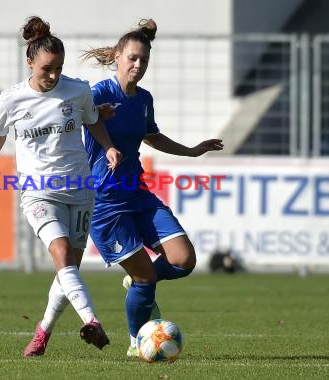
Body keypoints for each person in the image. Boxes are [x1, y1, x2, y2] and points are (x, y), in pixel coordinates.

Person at [0, 16, 122, 356]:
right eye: (46, 69)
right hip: (38, 191)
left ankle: (42, 334)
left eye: (58, 68)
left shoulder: (78, 90)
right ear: (29, 62)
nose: (53, 76)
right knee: (62, 254)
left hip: (80, 189)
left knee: (67, 271)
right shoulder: (11, 99)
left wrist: (109, 145)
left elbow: (93, 121)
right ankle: (92, 321)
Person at [81, 19, 224, 357]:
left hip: (137, 193)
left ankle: (138, 281)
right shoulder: (100, 92)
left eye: (143, 60)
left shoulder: (143, 99)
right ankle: (137, 342)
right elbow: (90, 117)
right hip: (105, 203)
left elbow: (151, 134)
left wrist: (192, 150)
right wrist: (108, 146)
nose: (137, 65)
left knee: (183, 259)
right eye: (132, 58)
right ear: (117, 57)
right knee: (146, 277)